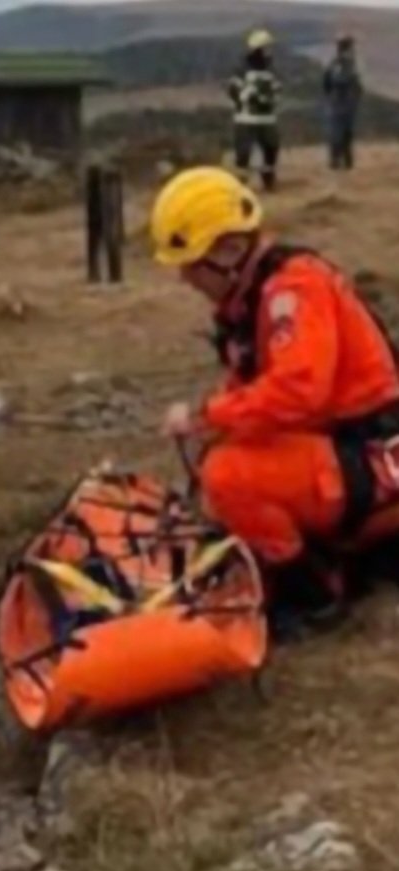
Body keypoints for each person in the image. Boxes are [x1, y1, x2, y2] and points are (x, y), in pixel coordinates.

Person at [150, 166, 399, 639]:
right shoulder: (257, 297)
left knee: (229, 475)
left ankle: (311, 594)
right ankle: (323, 553)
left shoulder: (294, 291)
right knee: (227, 457)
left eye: (192, 264)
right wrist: (219, 420)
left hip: (373, 456)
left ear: (229, 250)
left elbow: (298, 391)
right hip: (356, 452)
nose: (185, 278)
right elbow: (259, 394)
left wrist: (206, 416)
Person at [228, 29, 283, 192]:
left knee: (270, 151)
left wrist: (270, 99)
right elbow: (233, 90)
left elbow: (277, 89)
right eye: (267, 48)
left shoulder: (271, 70)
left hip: (267, 118)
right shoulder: (242, 69)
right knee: (243, 154)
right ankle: (240, 187)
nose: (269, 51)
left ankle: (268, 182)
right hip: (246, 119)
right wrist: (247, 97)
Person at [323, 34, 363, 171]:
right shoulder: (348, 65)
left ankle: (340, 159)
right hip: (344, 102)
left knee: (341, 131)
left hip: (339, 102)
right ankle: (342, 160)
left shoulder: (335, 64)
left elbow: (326, 84)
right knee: (342, 132)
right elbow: (355, 84)